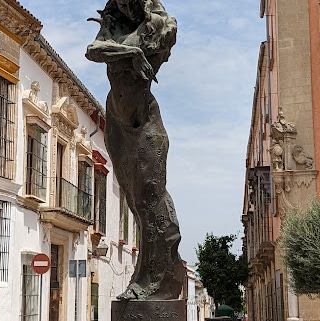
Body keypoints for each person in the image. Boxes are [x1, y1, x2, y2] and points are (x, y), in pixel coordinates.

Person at [86, 0, 185, 300]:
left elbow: (168, 36)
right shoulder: (114, 27)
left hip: (143, 122)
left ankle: (157, 279)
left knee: (149, 199)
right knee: (134, 202)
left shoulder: (158, 26)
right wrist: (132, 52)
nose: (125, 5)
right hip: (116, 119)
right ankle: (148, 276)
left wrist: (134, 51)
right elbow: (93, 51)